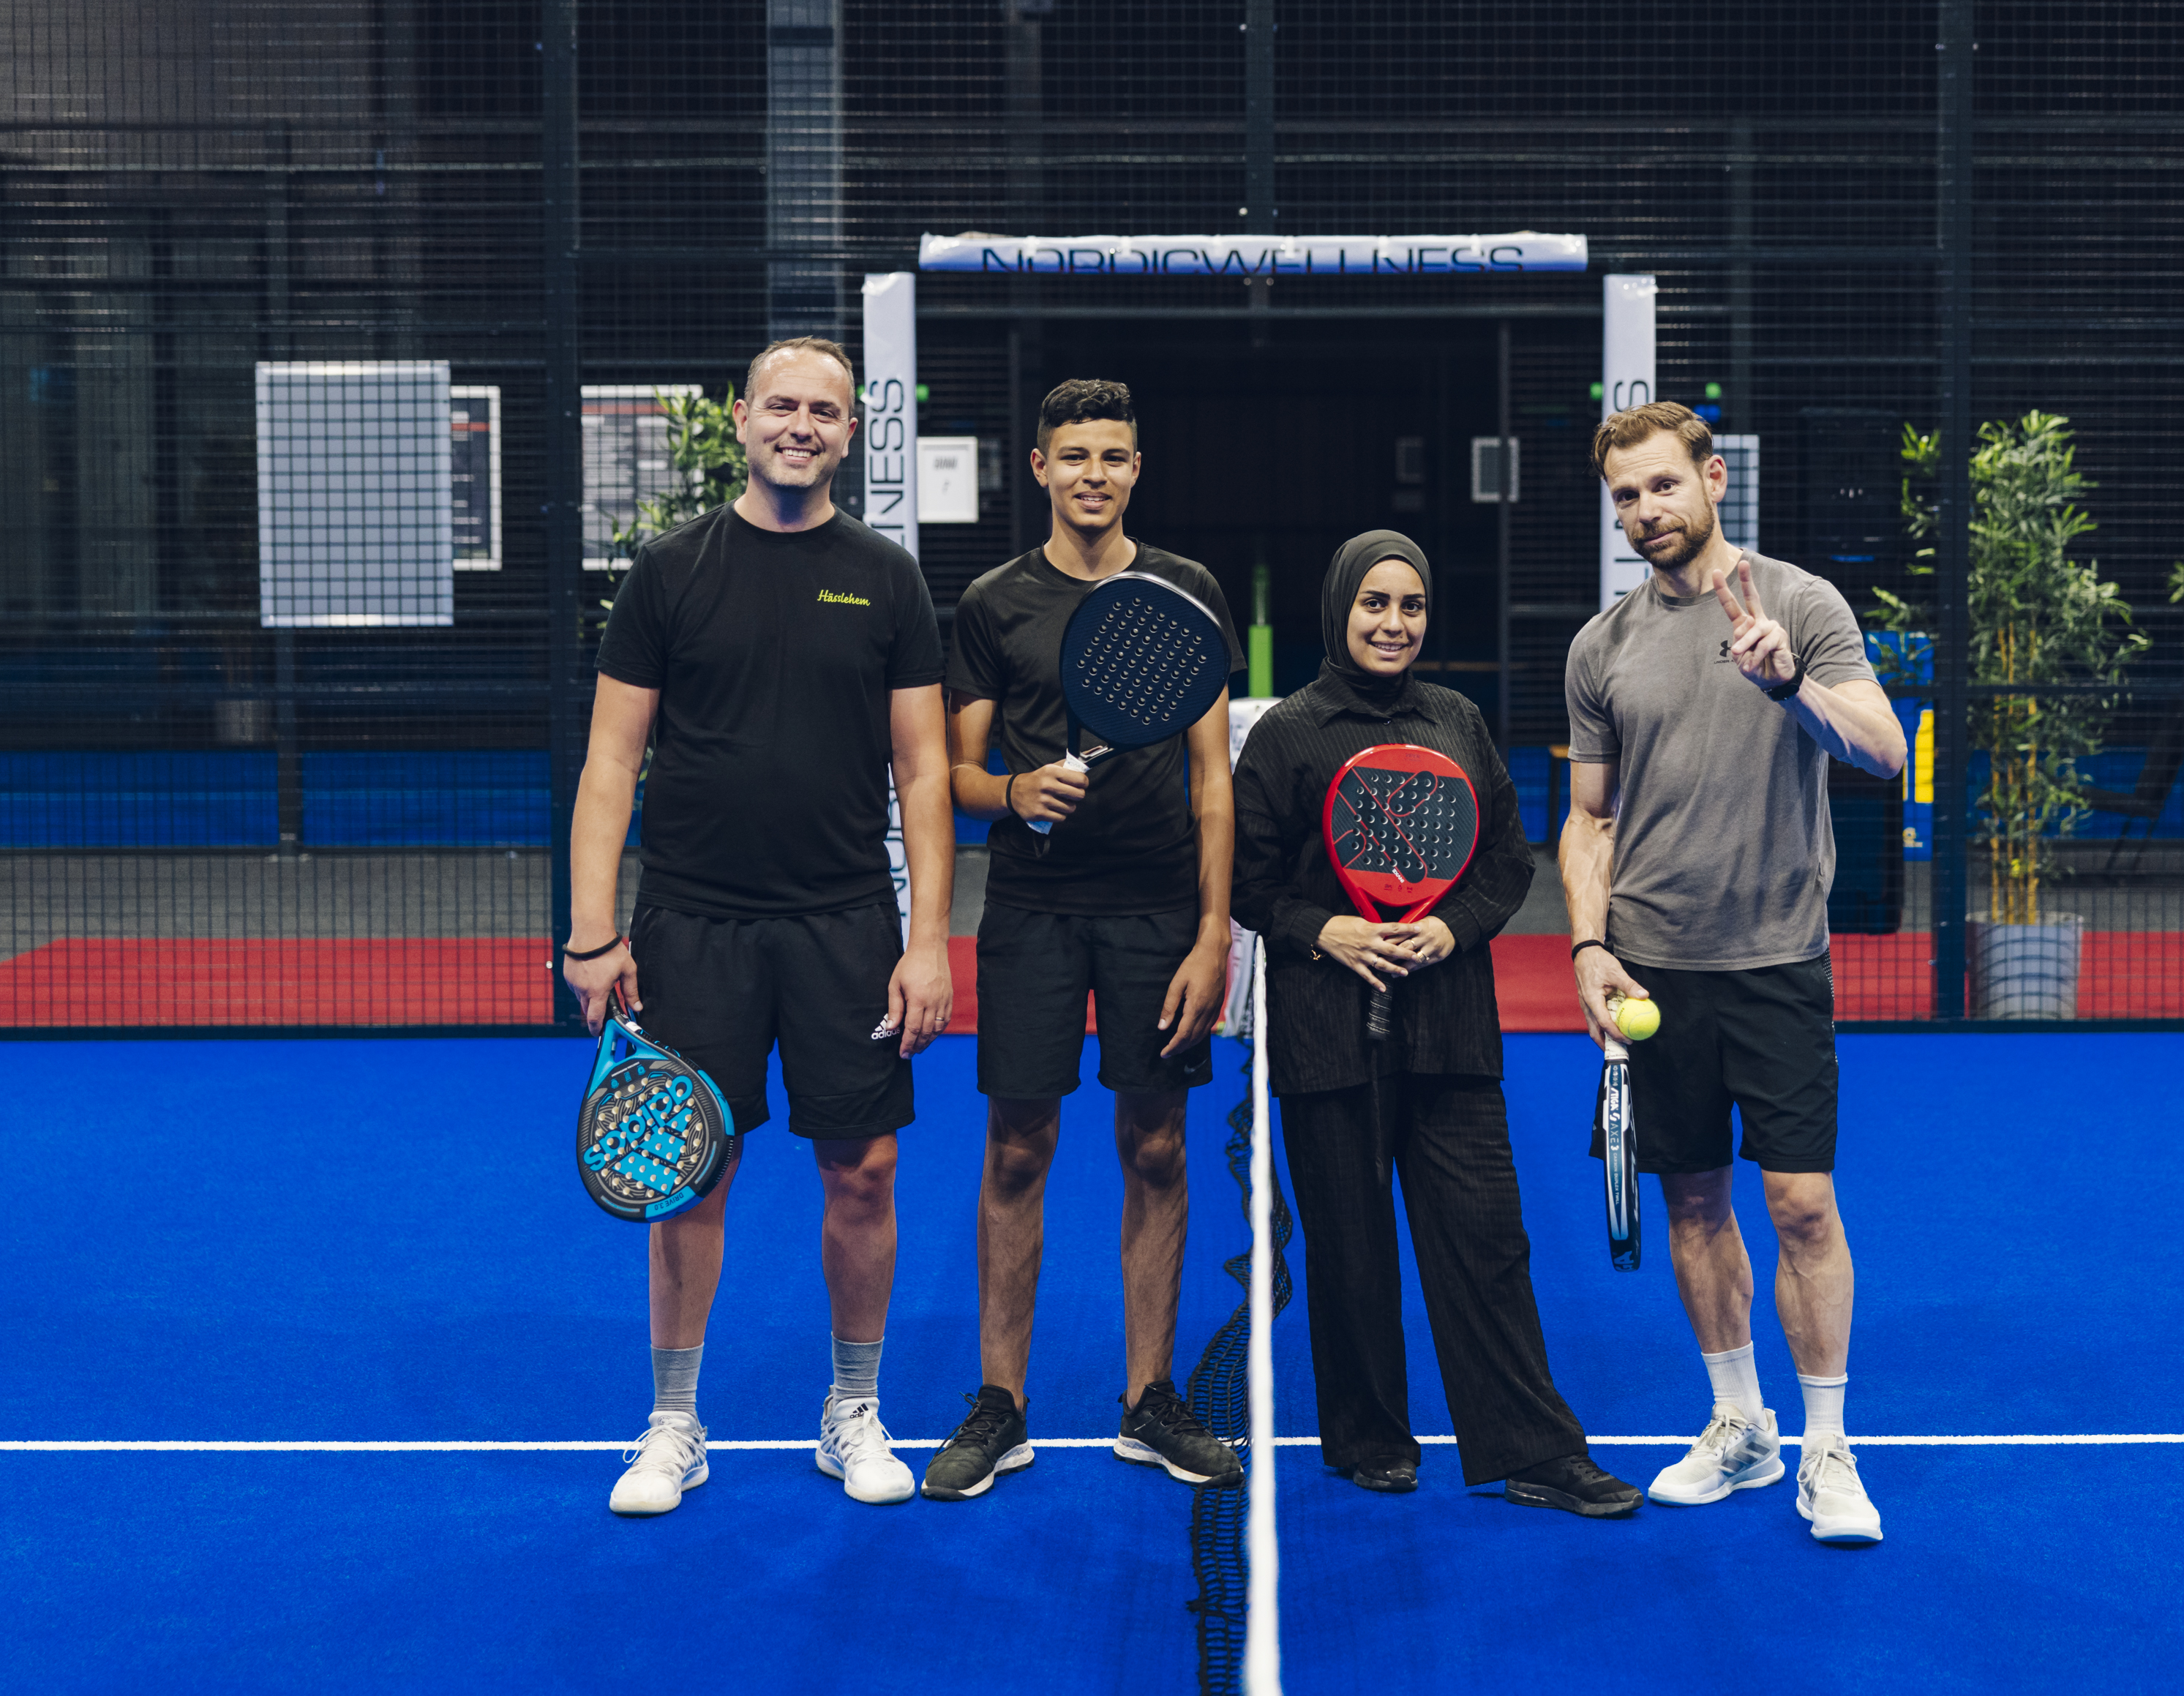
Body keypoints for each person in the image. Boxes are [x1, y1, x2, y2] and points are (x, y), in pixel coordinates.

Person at [563, 336, 956, 1516]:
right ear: (741, 419)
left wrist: (928, 940)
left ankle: (854, 1411)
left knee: (865, 1168)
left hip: (848, 926)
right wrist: (593, 934)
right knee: (689, 1176)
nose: (800, 424)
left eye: (823, 411)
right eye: (780, 404)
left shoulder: (888, 580)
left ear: (850, 433)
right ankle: (673, 1424)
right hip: (691, 928)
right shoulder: (670, 574)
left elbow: (926, 773)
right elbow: (610, 761)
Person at [1231, 530, 1641, 1517]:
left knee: (1487, 1238)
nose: (1394, 623)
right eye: (1375, 604)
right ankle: (1369, 1437)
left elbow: (1506, 861)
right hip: (1327, 1034)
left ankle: (1535, 1449)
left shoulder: (1458, 719)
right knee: (1350, 1245)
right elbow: (1246, 881)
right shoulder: (1290, 733)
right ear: (1339, 611)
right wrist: (1322, 926)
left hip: (1451, 1029)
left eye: (1411, 606)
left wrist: (1453, 930)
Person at [1561, 400, 1908, 1545]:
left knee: (1802, 1203)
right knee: (1696, 1201)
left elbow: (1886, 748)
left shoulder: (1799, 604)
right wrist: (1588, 943)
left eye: (1662, 486)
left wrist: (1786, 688)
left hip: (1776, 962)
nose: (1643, 512)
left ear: (1713, 479)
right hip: (1656, 968)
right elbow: (1589, 823)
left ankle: (1828, 1450)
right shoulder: (1600, 648)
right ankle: (1738, 1425)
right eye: (1624, 496)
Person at [924, 380, 1245, 1501]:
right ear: (1042, 469)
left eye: (1114, 455)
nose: (1094, 475)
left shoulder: (1186, 593)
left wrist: (1216, 935)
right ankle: (999, 1406)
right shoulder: (992, 603)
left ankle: (1148, 1400)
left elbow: (1215, 782)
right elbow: (956, 776)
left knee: (1157, 1146)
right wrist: (1015, 792)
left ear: (1136, 470)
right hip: (1035, 912)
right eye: (1075, 456)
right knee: (1019, 1146)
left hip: (1161, 917)